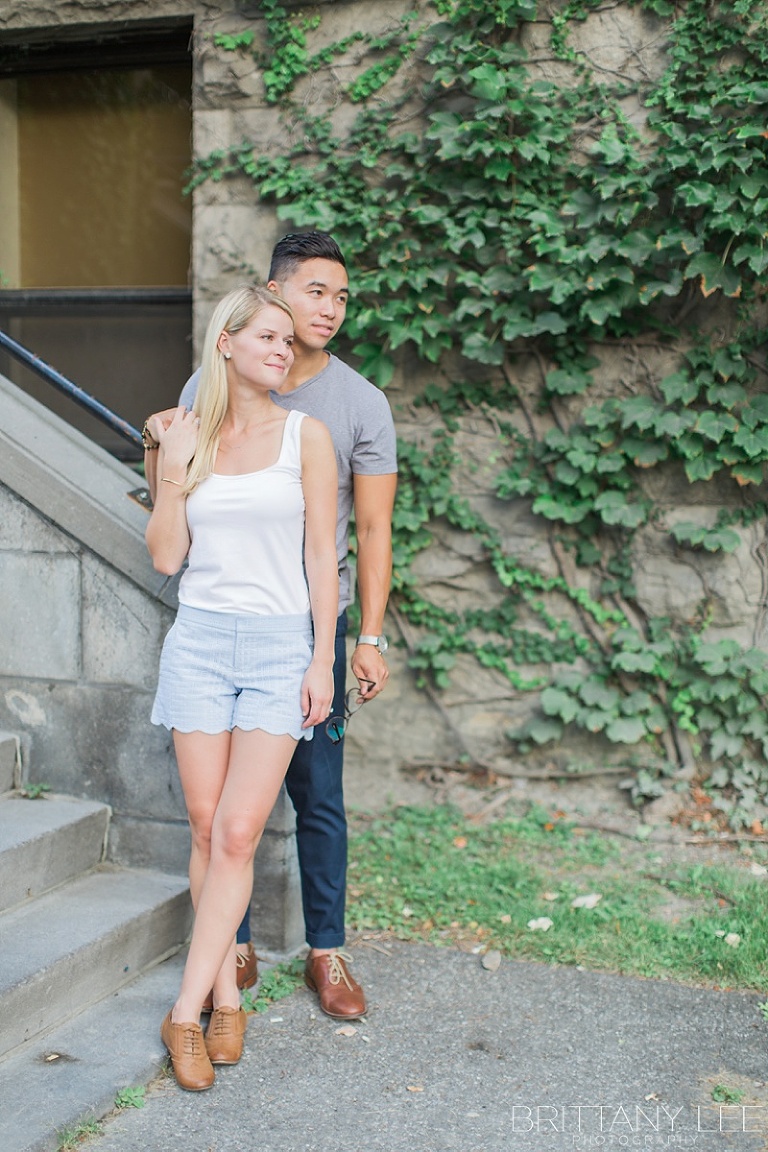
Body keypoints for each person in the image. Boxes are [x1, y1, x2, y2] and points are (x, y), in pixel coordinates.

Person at [144, 231, 398, 1019]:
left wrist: (363, 639)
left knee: (317, 794)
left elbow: (370, 532)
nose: (330, 309)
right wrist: (160, 439)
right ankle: (232, 952)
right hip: (219, 621)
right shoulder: (214, 380)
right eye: (315, 292)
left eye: (342, 297)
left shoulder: (356, 405)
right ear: (272, 296)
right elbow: (175, 489)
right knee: (219, 816)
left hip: (310, 622)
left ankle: (327, 950)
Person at [145, 284, 339, 1090]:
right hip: (199, 642)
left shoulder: (309, 436)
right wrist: (171, 467)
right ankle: (227, 993)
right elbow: (164, 556)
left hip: (276, 650)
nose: (283, 349)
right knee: (201, 825)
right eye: (267, 335)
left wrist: (322, 657)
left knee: (237, 832)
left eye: (288, 342)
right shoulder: (185, 433)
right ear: (225, 342)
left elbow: (323, 557)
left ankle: (183, 1013)